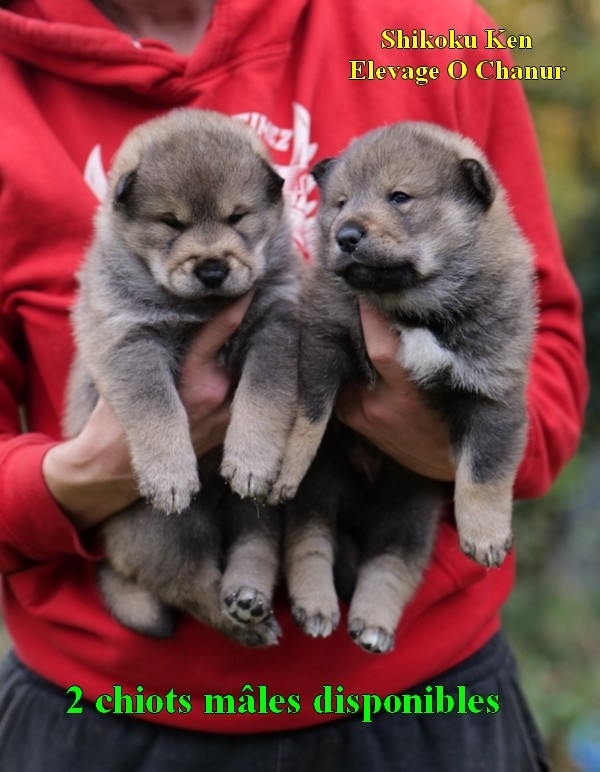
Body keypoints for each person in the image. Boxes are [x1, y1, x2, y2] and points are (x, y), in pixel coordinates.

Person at [0, 0, 587, 769]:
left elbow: (544, 387)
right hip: (102, 711)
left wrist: (430, 432)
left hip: (422, 699)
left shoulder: (437, 30)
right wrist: (88, 474)